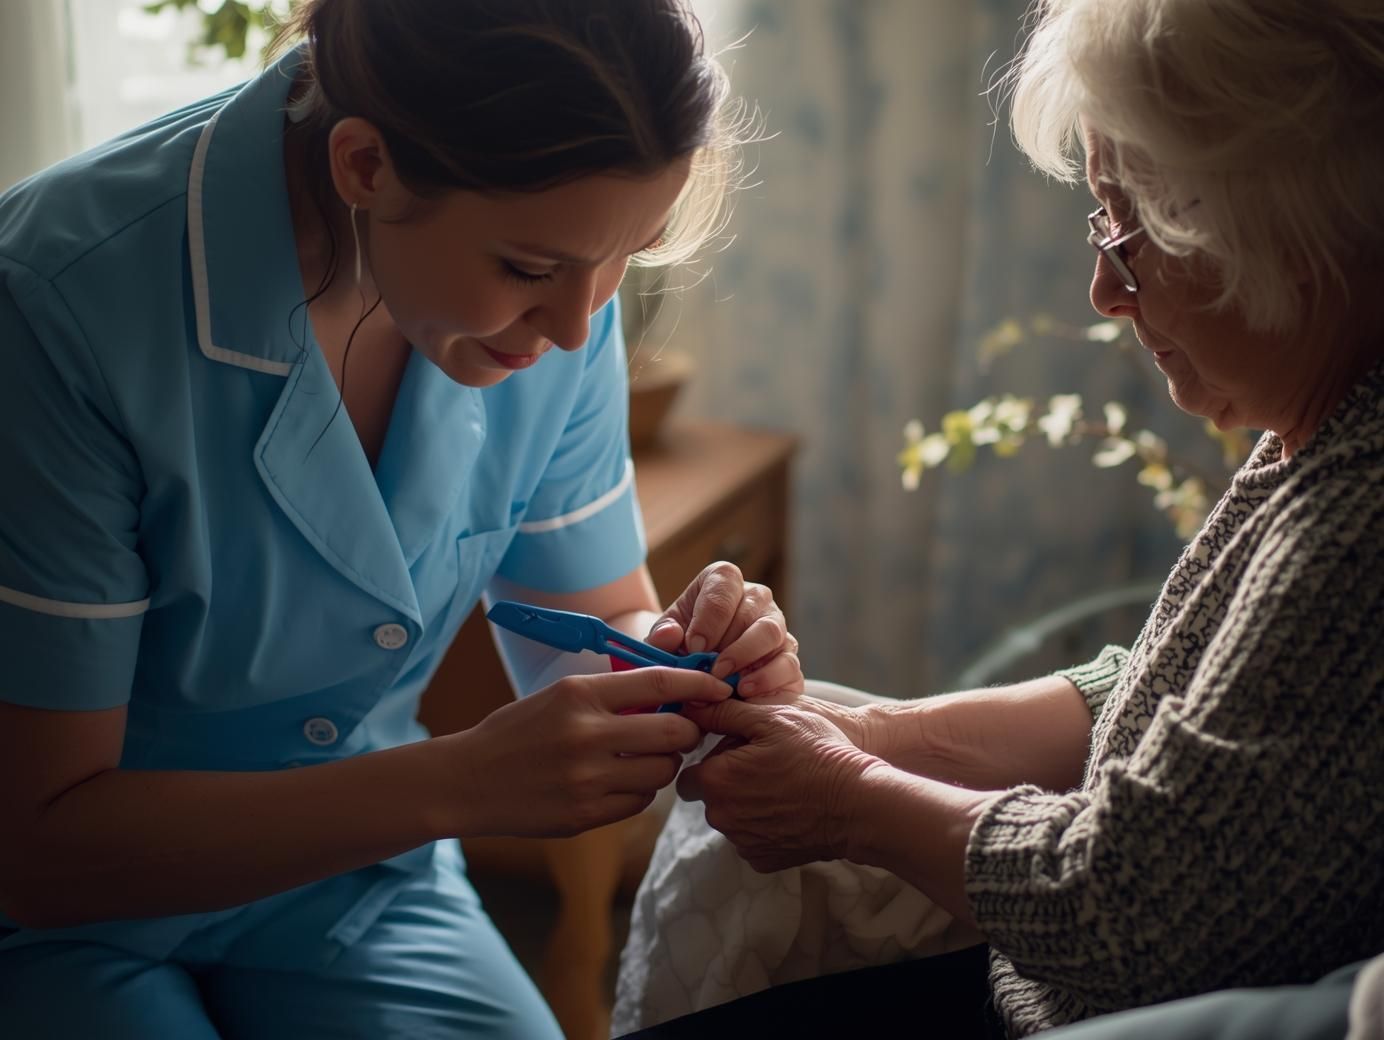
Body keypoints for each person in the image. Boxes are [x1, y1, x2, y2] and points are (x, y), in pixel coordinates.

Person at [0, 2, 802, 1037]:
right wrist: (456, 783)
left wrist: (682, 661)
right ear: (365, 165)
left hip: (356, 880)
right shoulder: (57, 306)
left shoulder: (563, 291)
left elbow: (586, 625)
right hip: (61, 911)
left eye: (628, 255)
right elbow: (39, 851)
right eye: (527, 268)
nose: (575, 327)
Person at [623, 0, 1384, 1036]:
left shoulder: (1356, 518)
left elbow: (1129, 908)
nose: (1103, 291)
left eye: (1130, 237)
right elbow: (1196, 700)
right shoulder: (1326, 416)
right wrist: (873, 733)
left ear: (1285, 229)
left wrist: (849, 794)